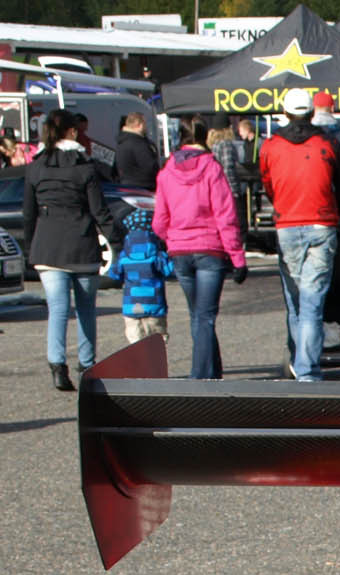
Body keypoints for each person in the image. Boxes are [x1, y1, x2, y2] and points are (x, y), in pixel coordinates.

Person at [24, 110, 122, 391]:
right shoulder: (85, 167)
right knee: (86, 309)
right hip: (81, 244)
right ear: (71, 132)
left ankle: (57, 366)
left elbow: (28, 213)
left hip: (47, 247)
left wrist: (31, 248)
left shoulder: (36, 166)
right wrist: (116, 241)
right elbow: (99, 211)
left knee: (57, 309)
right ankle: (86, 365)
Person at [261, 87, 340, 381]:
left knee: (295, 300)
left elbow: (268, 183)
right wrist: (335, 214)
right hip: (321, 224)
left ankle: (299, 360)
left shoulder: (271, 146)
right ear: (312, 112)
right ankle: (307, 369)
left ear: (284, 113)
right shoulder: (327, 143)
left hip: (287, 224)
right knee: (312, 302)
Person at [153, 115, 246, 379]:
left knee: (198, 315)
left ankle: (211, 371)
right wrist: (237, 258)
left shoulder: (167, 170)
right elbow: (225, 216)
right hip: (209, 249)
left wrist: (171, 239)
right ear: (205, 137)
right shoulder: (211, 168)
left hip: (180, 250)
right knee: (204, 317)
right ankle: (201, 376)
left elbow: (159, 219)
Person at [105, 207, 173, 348]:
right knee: (157, 343)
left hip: (131, 305)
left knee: (135, 343)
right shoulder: (157, 254)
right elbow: (169, 270)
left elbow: (114, 274)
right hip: (155, 305)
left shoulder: (124, 255)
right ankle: (155, 368)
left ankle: (139, 367)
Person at [114, 112, 160, 190]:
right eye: (145, 123)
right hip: (144, 187)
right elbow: (150, 167)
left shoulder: (121, 142)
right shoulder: (139, 143)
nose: (146, 127)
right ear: (140, 125)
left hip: (126, 186)